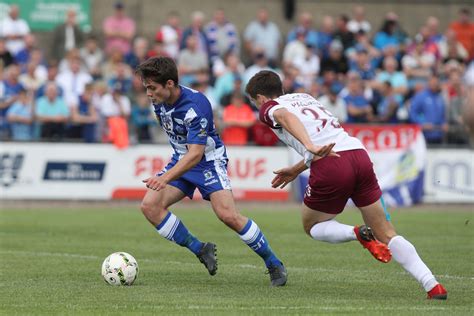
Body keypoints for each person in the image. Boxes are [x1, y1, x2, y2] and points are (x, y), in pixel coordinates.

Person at [245, 70, 447, 299]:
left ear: (260, 97)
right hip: (357, 154)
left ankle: (356, 233)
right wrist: (298, 168)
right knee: (386, 233)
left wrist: (308, 145)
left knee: (311, 225)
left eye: (254, 102)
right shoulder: (305, 97)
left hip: (331, 166)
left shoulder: (268, 107)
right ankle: (432, 285)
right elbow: (326, 139)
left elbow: (284, 117)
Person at [135, 57, 286, 286]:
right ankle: (200, 249)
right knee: (150, 206)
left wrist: (164, 178)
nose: (148, 94)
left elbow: (196, 154)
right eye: (146, 88)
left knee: (228, 215)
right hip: (181, 159)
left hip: (207, 161)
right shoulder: (159, 101)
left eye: (152, 88)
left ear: (169, 84)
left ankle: (273, 262)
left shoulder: (196, 105)